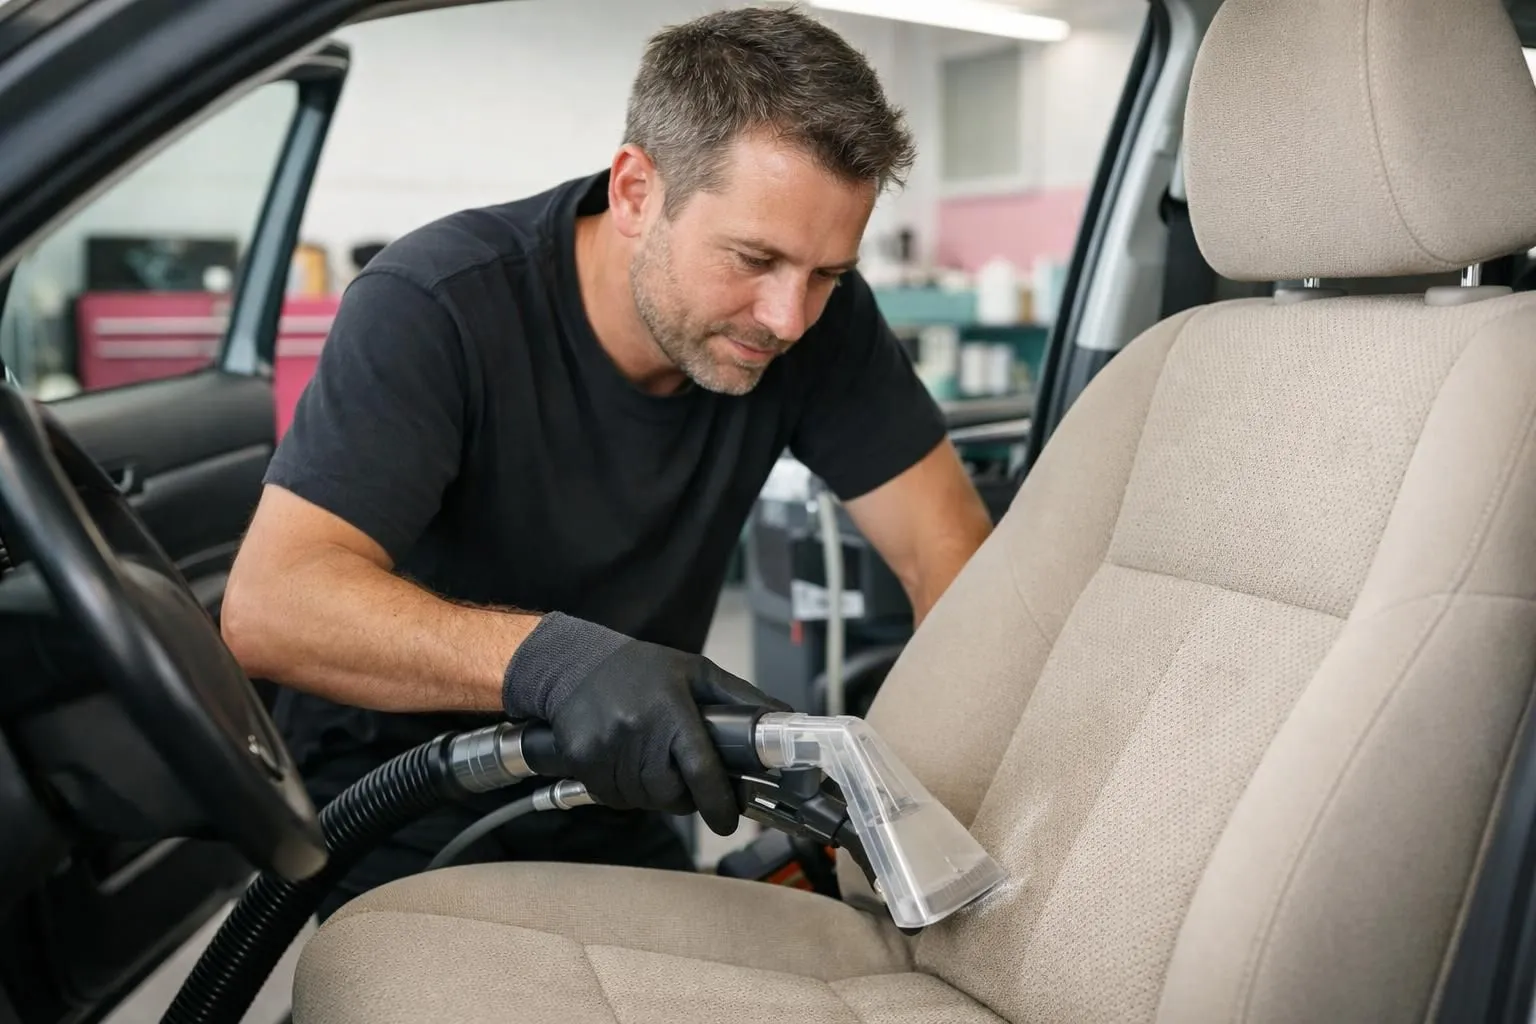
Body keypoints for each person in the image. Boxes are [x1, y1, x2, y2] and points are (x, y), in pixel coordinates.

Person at [221, 4, 996, 918]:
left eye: (827, 274)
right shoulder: (437, 305)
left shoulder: (821, 326)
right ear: (635, 192)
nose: (789, 318)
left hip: (619, 780)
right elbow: (275, 606)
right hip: (404, 788)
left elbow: (950, 561)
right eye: (753, 257)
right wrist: (561, 663)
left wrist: (926, 796)